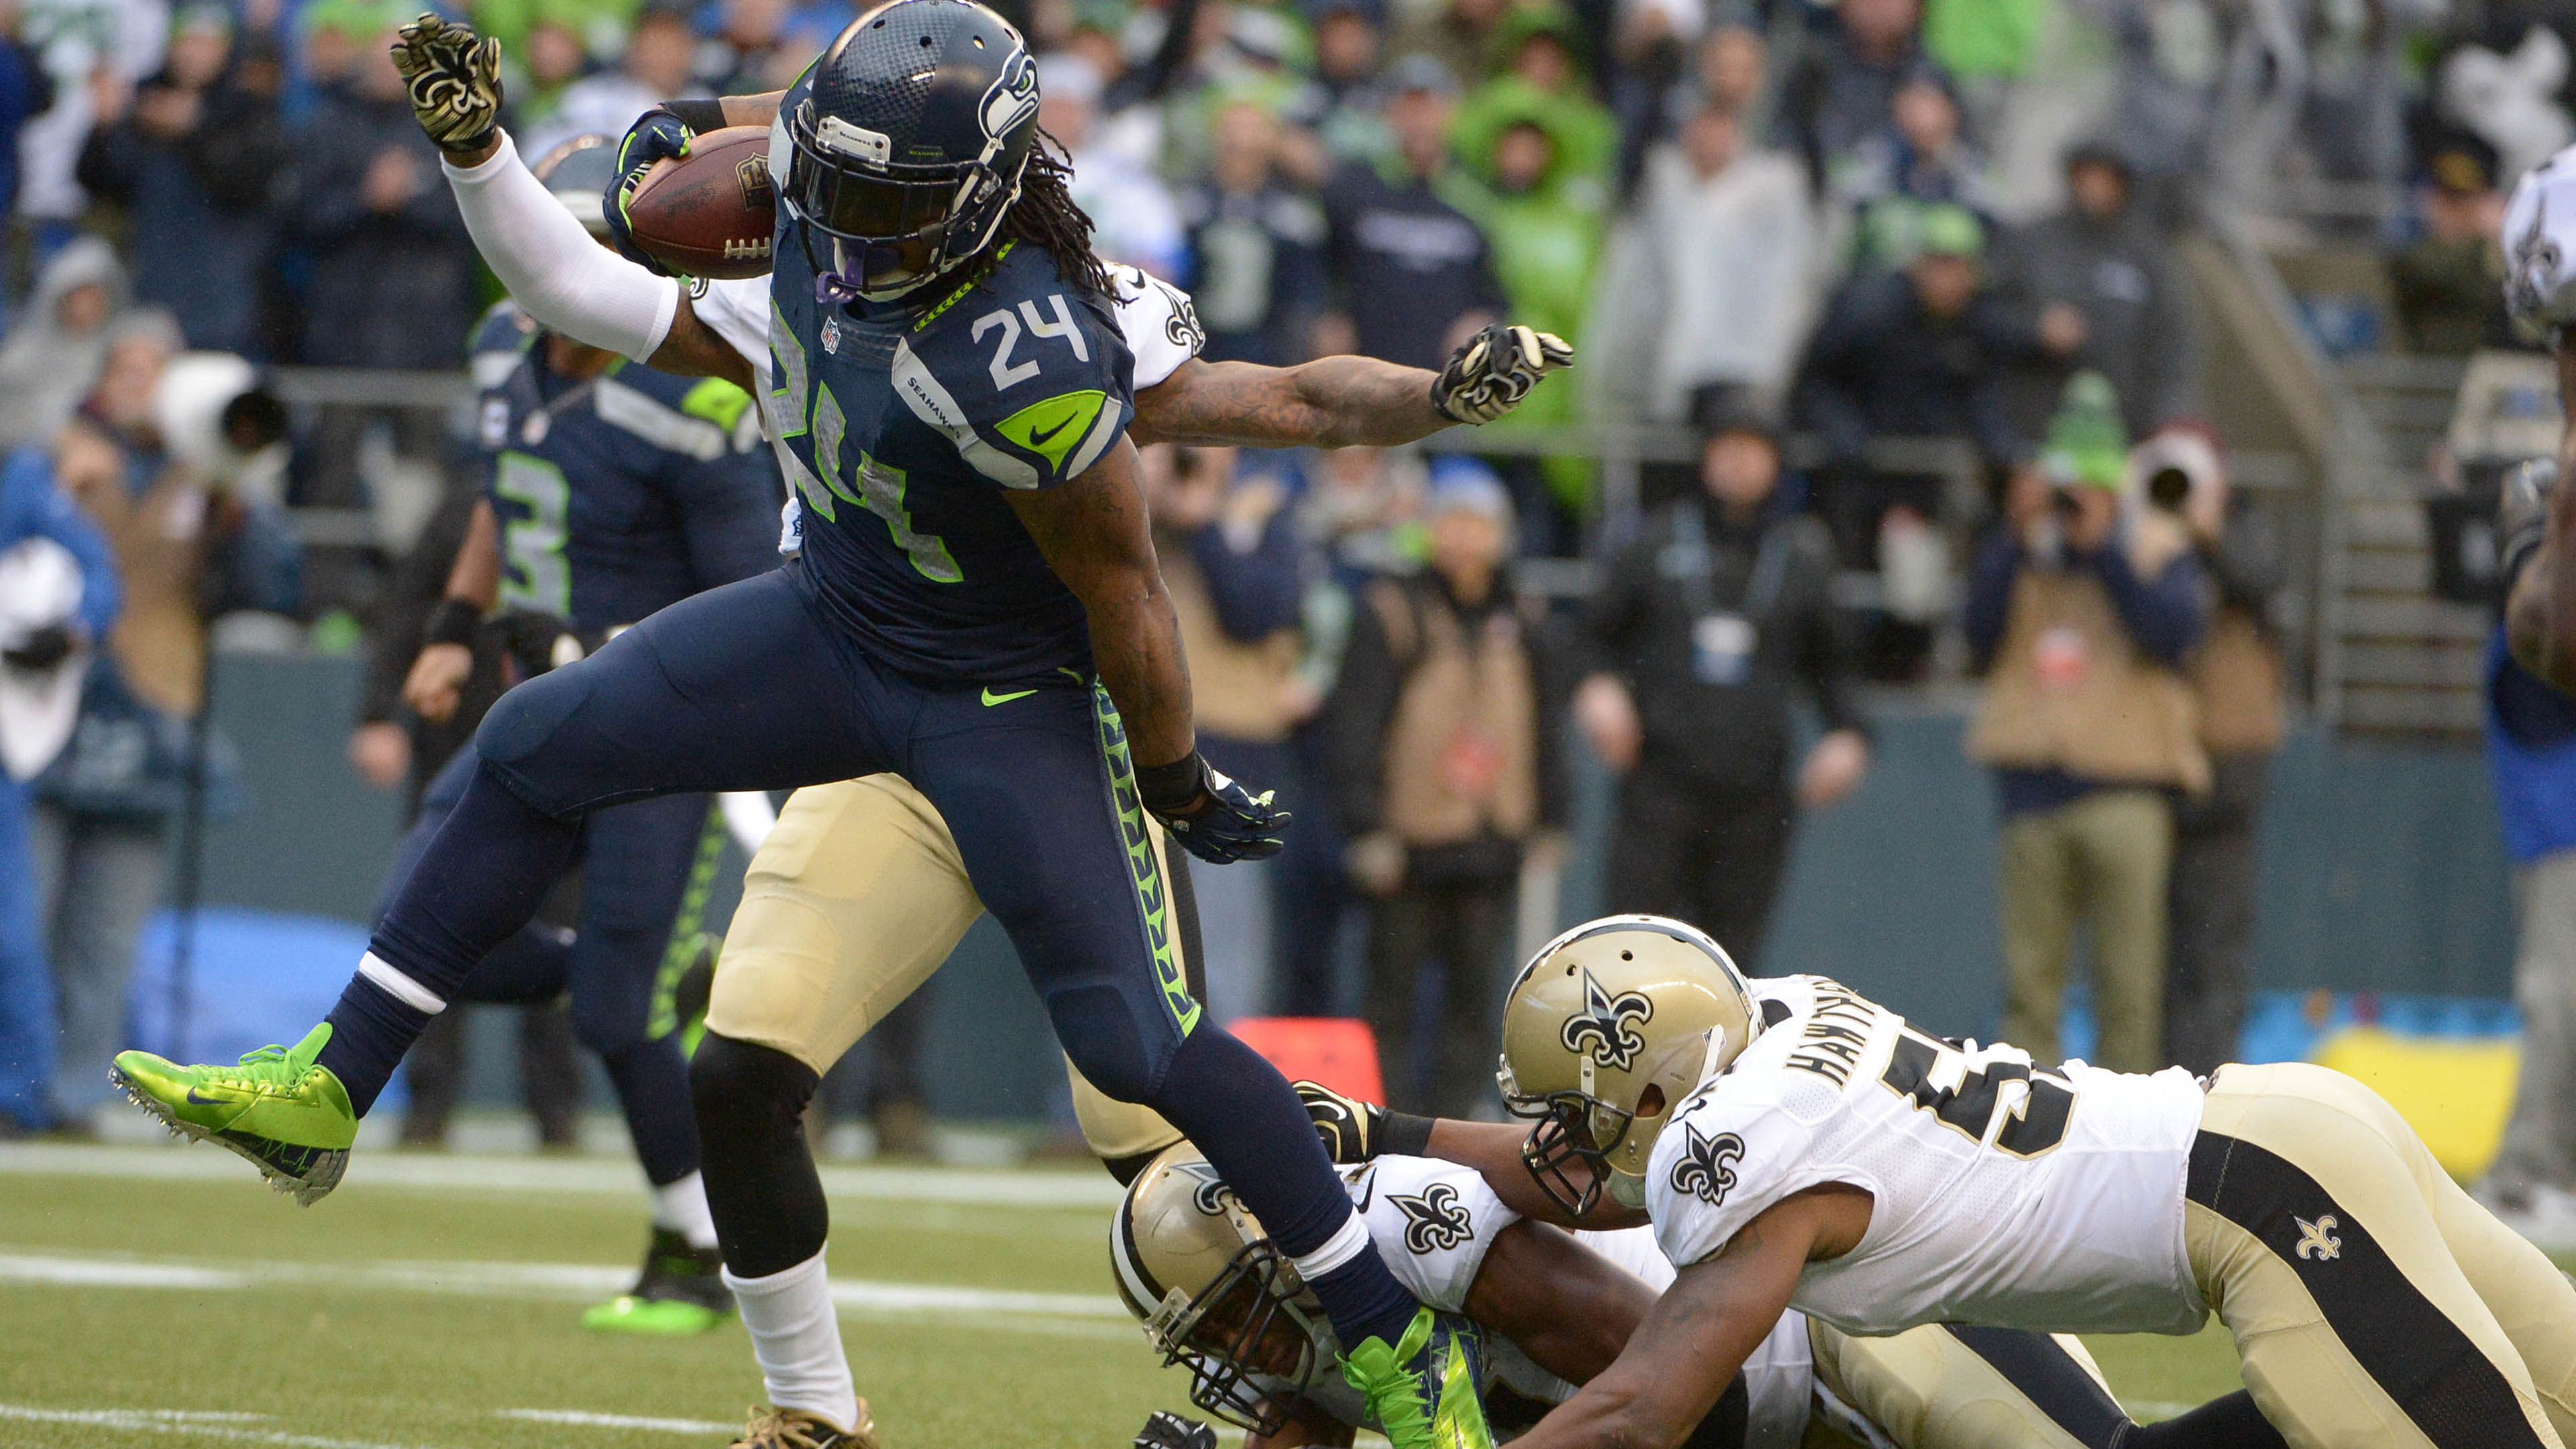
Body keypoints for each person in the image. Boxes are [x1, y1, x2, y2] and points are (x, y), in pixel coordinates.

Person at [110, 11, 1570, 1449]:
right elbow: (575, 285)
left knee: (1142, 1048)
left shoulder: (1039, 346)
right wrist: (479, 150)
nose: (851, 227)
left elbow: (1142, 574)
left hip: (1006, 697)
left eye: (889, 200)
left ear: (986, 190)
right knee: (531, 742)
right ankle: (334, 1082)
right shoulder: (816, 205)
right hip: (832, 628)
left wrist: (1178, 770)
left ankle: (1392, 1338)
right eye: (836, 182)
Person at [1385, 913, 2576, 1449]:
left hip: (2264, 1210)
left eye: (1577, 1112)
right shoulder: (1771, 1024)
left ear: (1656, 1094)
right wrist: (1387, 1131)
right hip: (2296, 1125)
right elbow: (1611, 1183)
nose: (1563, 1141)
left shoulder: (1738, 1154)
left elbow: (1646, 1409)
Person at [379, 134, 781, 1331]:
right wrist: (455, 625)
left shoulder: (695, 397)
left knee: (612, 1018)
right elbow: (504, 492)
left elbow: (754, 603)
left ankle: (691, 1251)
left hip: (661, 730)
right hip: (535, 711)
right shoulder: (502, 346)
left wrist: (598, 644)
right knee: (417, 931)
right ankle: (658, 979)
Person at [1118, 1136, 2279, 1449]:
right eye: (1209, 1338)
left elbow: (1675, 1392)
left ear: (1286, 1252)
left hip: (1838, 1329)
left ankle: (2335, 1406)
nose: (1244, 1351)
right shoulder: (1305, 1342)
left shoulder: (1403, 1231)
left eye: (1235, 1313)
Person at [40, 333, 300, 1136]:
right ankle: (20, 1081)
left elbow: (267, 587)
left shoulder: (211, 473)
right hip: (44, 710)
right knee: (25, 915)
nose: (139, 386)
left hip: (155, 712)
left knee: (108, 932)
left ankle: (74, 1097)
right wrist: (56, 481)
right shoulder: (55, 454)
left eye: (153, 372)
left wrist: (241, 512)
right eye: (124, 370)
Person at [1962, 374, 2206, 1074]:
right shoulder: (2024, 552)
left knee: (2128, 987)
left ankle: (2126, 1123)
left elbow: (2174, 633)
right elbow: (1975, 635)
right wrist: (2015, 533)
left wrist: (2105, 549)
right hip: (2032, 789)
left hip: (2127, 791)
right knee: (2029, 988)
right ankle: (2027, 1121)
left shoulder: (2154, 545)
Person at [1575, 414, 1866, 965]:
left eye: (1753, 449)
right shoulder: (1656, 540)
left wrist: (1850, 734)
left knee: (1733, 964)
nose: (1739, 462)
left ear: (1776, 464)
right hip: (1659, 782)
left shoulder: (1802, 555)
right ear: (1704, 457)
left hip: (1755, 796)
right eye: (1727, 447)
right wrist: (1596, 687)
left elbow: (1838, 667)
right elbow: (1590, 636)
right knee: (1630, 952)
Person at [1324, 465, 1564, 1117]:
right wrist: (1366, 826)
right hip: (1409, 841)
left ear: (1502, 536)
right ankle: (1385, 1123)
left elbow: (1546, 723)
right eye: (1452, 521)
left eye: (1479, 524)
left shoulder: (1525, 615)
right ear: (1429, 530)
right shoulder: (1391, 609)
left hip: (1493, 838)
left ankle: (1457, 1124)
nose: (1465, 538)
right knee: (1390, 992)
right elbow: (1355, 723)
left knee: (1477, 995)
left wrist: (1551, 818)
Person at [2143, 426, 2283, 1077]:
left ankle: (2210, 1091)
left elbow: (2261, 578)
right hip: (2149, 763)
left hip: (2227, 768)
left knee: (2215, 949)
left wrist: (2209, 530)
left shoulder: (2241, 523)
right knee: (2150, 956)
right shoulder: (2140, 535)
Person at [0, 429, 121, 1138]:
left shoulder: (25, 481)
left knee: (11, 931)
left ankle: (22, 1094)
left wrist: (74, 631)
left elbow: (97, 576)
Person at [75, 1, 285, 356]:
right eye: (188, 41)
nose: (195, 54)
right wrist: (103, 130)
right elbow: (98, 184)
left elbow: (248, 183)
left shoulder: (250, 111)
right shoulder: (144, 107)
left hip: (226, 304)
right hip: (149, 290)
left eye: (208, 44)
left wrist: (195, 130)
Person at [1319, 56, 1512, 373]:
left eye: (1430, 109)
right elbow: (1325, 270)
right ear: (1388, 115)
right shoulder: (1354, 190)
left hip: (1444, 378)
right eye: (1408, 109)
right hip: (1364, 373)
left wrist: (1484, 322)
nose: (1420, 122)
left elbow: (1499, 289)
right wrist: (1330, 318)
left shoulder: (1476, 200)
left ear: (1451, 114)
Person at [2001, 139, 2191, 443]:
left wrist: (2164, 420)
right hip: (2037, 424)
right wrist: (2036, 328)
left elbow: (2171, 340)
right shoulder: (2034, 241)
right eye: (2087, 177)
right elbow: (1994, 315)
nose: (2095, 188)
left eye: (2106, 179)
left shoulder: (2148, 254)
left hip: (2124, 427)